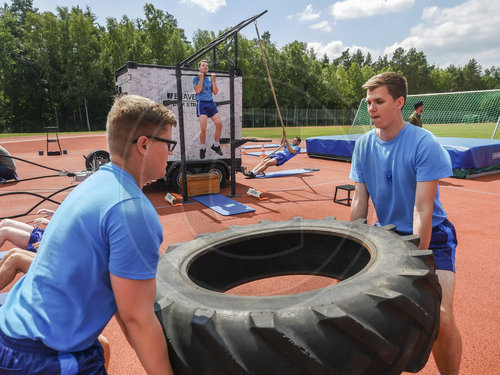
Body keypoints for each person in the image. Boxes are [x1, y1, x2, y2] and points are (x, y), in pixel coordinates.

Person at [0, 94, 177, 375]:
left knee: (101, 348)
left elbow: (124, 302)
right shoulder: (133, 210)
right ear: (144, 145)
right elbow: (137, 319)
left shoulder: (97, 182)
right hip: (42, 357)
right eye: (169, 144)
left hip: (18, 330)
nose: (171, 153)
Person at [349, 72, 462, 375]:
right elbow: (360, 202)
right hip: (387, 238)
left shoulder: (424, 143)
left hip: (432, 237)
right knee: (373, 315)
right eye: (369, 102)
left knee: (441, 316)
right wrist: (353, 245)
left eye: (379, 101)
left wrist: (413, 262)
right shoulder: (362, 146)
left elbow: (423, 209)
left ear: (399, 103)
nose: (371, 108)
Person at [193, 59, 223, 159]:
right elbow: (198, 91)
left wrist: (214, 80)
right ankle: (203, 148)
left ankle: (216, 145)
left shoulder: (210, 78)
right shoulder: (195, 77)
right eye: (203, 65)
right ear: (199, 68)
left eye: (206, 65)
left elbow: (215, 92)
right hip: (202, 103)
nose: (205, 67)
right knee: (203, 128)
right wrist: (201, 79)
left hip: (211, 103)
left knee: (219, 124)